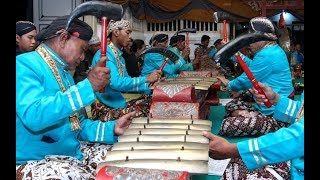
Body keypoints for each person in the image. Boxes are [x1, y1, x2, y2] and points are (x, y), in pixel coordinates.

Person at [16, 15, 137, 179]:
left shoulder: (65, 74)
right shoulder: (24, 64)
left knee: (127, 158)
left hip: (71, 152)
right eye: (82, 49)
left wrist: (112, 128)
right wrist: (88, 85)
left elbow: (76, 125)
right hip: (36, 159)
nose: (82, 57)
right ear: (64, 38)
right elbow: (34, 116)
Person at [203, 82, 304, 179]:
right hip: (296, 155)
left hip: (295, 151)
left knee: (229, 127)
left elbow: (299, 138)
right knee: (237, 163)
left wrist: (233, 149)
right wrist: (275, 99)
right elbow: (300, 112)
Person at [217, 17, 294, 137]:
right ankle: (249, 116)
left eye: (252, 39)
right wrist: (233, 52)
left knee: (228, 125)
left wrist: (228, 85)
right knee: (230, 105)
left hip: (278, 115)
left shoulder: (267, 55)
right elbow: (251, 66)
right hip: (265, 107)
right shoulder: (271, 50)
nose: (249, 42)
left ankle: (254, 118)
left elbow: (246, 80)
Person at [90, 19, 161, 121]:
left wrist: (151, 86)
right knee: (150, 110)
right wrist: (146, 79)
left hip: (117, 102)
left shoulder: (119, 56)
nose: (130, 37)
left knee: (153, 101)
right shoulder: (105, 54)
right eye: (127, 33)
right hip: (105, 107)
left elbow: (128, 83)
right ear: (116, 32)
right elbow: (116, 83)